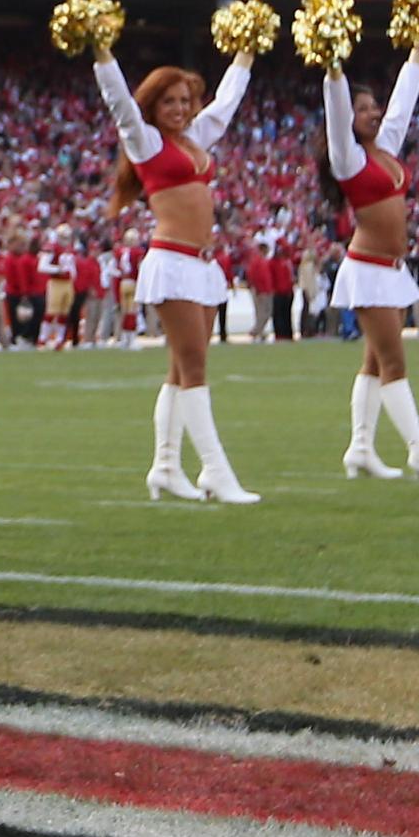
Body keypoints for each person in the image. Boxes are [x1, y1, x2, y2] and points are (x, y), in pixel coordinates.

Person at [93, 34, 264, 503]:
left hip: (204, 265)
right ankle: (215, 471)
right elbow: (120, 105)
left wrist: (245, 54)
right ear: (154, 104)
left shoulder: (198, 138)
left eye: (186, 100)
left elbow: (226, 104)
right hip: (171, 262)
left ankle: (166, 467)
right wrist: (102, 52)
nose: (179, 108)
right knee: (194, 368)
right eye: (168, 100)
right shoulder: (145, 143)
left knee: (179, 369)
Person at [324, 41, 419, 481]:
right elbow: (335, 108)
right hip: (367, 270)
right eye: (363, 108)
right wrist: (333, 66)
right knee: (394, 363)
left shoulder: (385, 149)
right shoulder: (347, 159)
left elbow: (402, 105)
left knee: (373, 361)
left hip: (390, 271)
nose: (374, 113)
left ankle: (360, 449)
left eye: (373, 106)